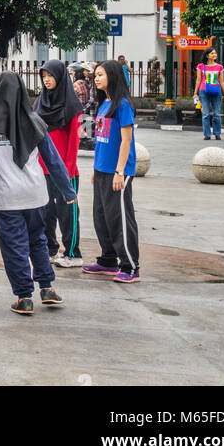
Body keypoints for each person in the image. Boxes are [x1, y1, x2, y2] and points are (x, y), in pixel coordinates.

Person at [0, 73, 76, 315]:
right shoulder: (34, 120)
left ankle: (24, 296)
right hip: (36, 194)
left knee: (14, 246)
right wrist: (67, 190)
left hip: (6, 197)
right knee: (37, 240)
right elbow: (53, 160)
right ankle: (47, 288)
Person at [83, 60, 141, 283]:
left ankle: (130, 266)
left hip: (118, 172)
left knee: (120, 219)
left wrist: (119, 171)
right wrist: (96, 169)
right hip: (101, 170)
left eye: (100, 75)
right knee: (101, 217)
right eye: (95, 75)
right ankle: (108, 260)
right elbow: (101, 141)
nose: (96, 78)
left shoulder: (123, 104)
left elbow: (126, 141)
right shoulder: (104, 103)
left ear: (113, 76)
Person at [34, 59, 84, 268]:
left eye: (50, 76)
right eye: (43, 76)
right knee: (45, 212)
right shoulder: (39, 103)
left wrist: (69, 167)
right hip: (42, 167)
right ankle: (50, 249)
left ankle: (73, 253)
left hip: (65, 169)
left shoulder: (72, 105)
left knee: (68, 213)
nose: (46, 80)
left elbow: (74, 139)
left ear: (60, 77)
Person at [195, 48, 224, 140]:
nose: (214, 55)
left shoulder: (220, 67)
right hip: (203, 91)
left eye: (215, 53)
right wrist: (195, 93)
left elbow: (222, 81)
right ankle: (207, 134)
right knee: (205, 114)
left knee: (216, 113)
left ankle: (217, 133)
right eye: (212, 53)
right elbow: (198, 80)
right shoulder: (201, 66)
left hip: (216, 91)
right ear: (207, 55)